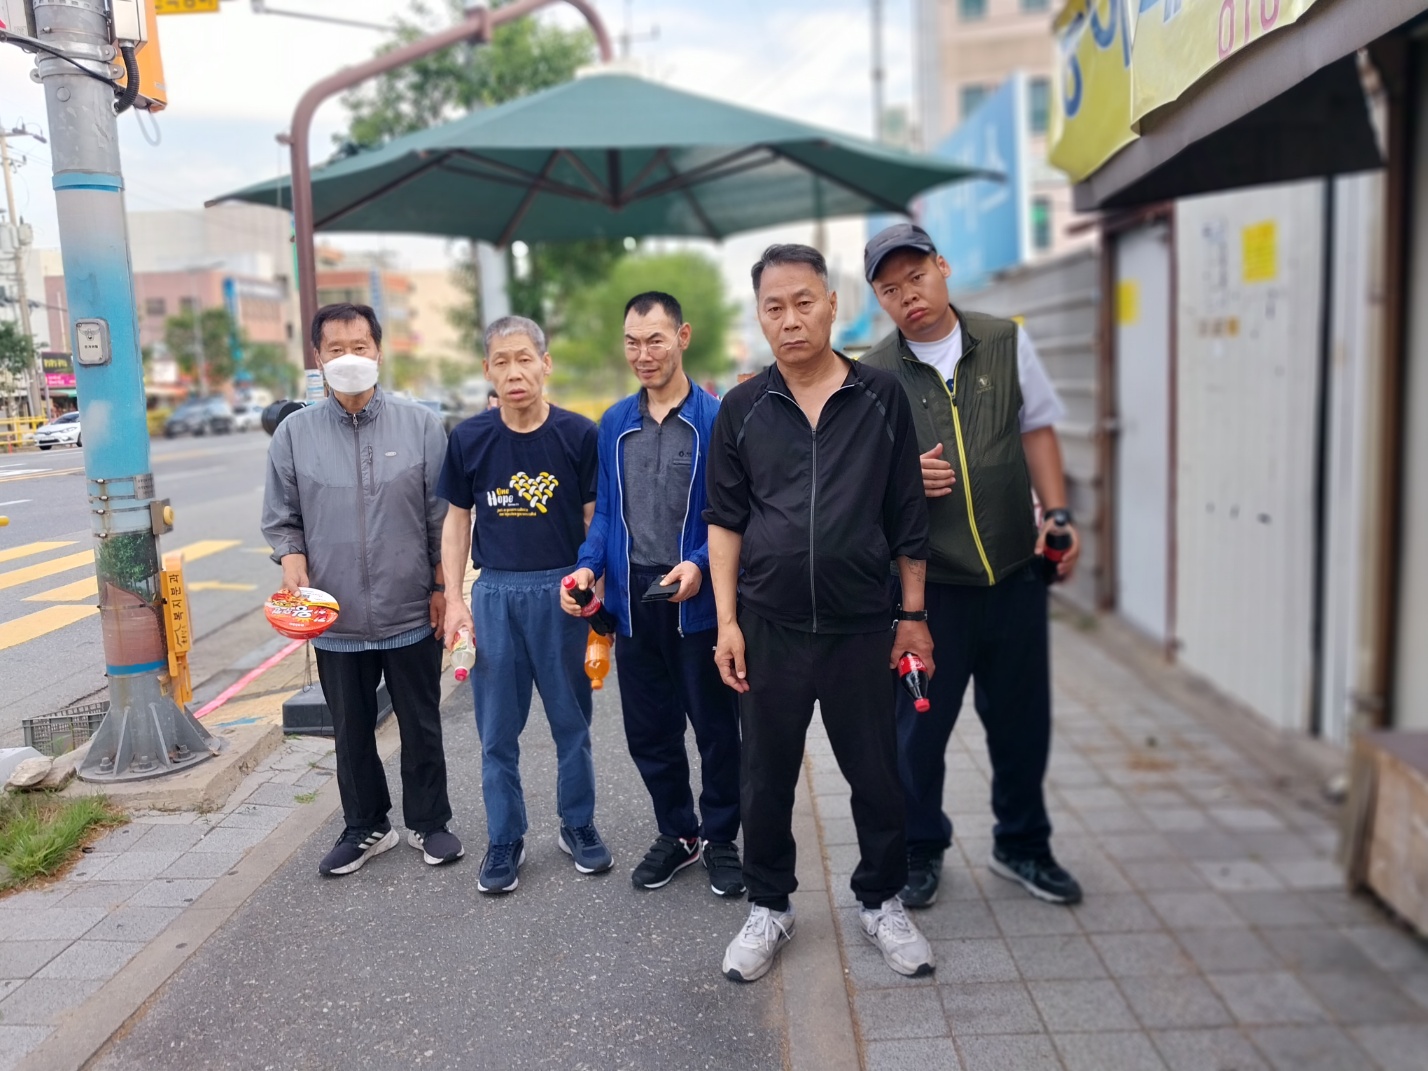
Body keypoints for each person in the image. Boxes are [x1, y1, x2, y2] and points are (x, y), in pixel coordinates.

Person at [705, 244, 936, 984]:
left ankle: (881, 900)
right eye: (774, 307)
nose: (790, 319)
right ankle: (769, 905)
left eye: (804, 302)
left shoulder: (880, 397)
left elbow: (907, 515)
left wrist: (912, 614)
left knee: (875, 773)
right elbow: (725, 523)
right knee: (764, 776)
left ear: (832, 305)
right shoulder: (742, 407)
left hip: (860, 624)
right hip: (768, 626)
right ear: (759, 316)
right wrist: (727, 622)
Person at [861, 222, 1083, 908]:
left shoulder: (1006, 340)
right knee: (917, 730)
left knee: (1021, 722)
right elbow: (859, 480)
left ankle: (1023, 844)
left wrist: (1058, 514)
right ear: (878, 299)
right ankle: (920, 848)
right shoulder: (874, 373)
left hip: (1015, 572)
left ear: (943, 267)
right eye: (890, 289)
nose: (908, 296)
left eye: (916, 278)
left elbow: (1036, 427)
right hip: (930, 591)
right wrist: (903, 477)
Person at [262, 302, 461, 877]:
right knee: (350, 731)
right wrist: (292, 561)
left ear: (378, 351)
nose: (348, 358)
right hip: (334, 613)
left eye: (359, 346)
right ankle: (366, 826)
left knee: (420, 722)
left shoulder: (420, 426)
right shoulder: (294, 434)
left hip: (410, 607)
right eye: (336, 349)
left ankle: (430, 822)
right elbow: (283, 518)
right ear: (317, 357)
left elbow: (441, 518)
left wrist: (442, 586)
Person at [563, 292, 743, 897]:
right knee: (650, 732)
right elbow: (606, 517)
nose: (643, 354)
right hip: (634, 600)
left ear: (682, 337)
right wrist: (587, 569)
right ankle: (679, 832)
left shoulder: (718, 418)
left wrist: (700, 565)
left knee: (716, 729)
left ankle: (722, 838)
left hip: (700, 600)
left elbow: (733, 513)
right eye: (633, 342)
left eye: (655, 340)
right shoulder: (614, 423)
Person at [438, 315, 610, 894]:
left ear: (545, 364)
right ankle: (504, 838)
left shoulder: (578, 435)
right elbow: (457, 522)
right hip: (495, 595)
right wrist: (456, 600)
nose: (514, 372)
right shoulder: (469, 438)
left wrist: (594, 584)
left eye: (524, 359)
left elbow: (595, 518)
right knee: (496, 732)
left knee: (572, 724)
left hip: (563, 593)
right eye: (502, 361)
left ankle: (578, 825)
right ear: (487, 370)